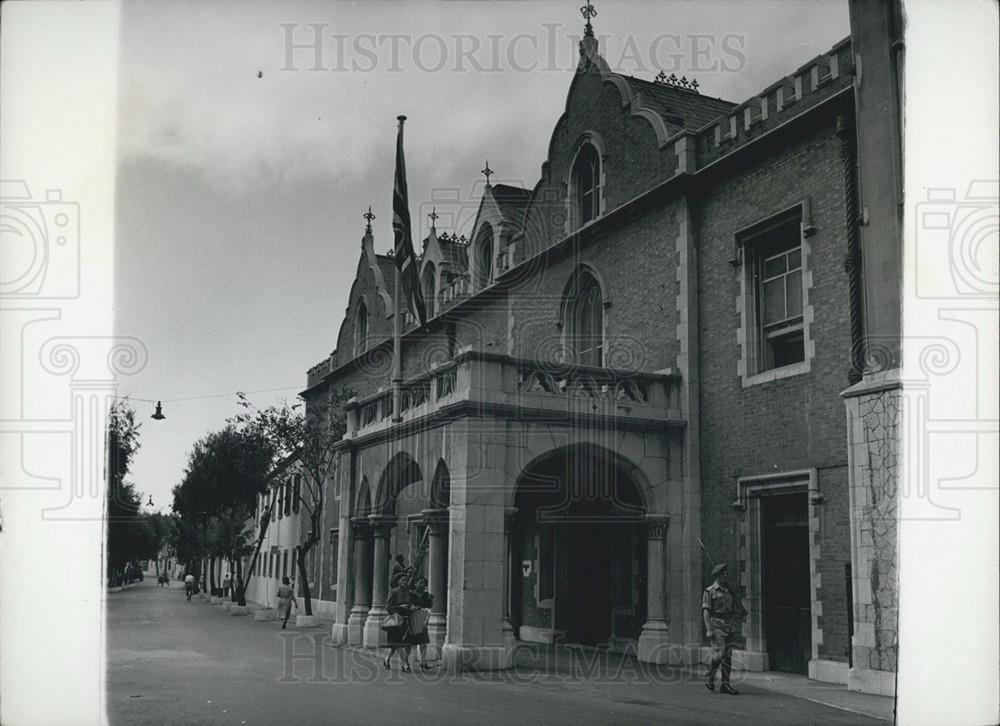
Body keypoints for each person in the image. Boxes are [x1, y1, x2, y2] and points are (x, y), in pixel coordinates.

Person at [702, 562, 745, 695]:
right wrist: (708, 629)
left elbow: (732, 608)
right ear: (718, 575)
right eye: (724, 573)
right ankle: (710, 675)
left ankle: (725, 684)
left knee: (728, 656)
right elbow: (706, 611)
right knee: (720, 653)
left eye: (726, 573)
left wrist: (739, 615)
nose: (726, 575)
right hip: (717, 624)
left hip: (730, 624)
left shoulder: (729, 591)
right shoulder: (710, 591)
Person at [382, 573, 414, 671]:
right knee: (398, 644)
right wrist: (400, 607)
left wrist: (412, 607)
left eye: (406, 580)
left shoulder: (409, 592)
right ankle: (404, 664)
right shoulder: (394, 592)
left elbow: (411, 603)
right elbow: (388, 607)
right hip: (396, 621)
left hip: (407, 620)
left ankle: (389, 659)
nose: (405, 582)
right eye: (403, 580)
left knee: (407, 644)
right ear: (398, 582)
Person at [407, 577, 433, 670]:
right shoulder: (411, 594)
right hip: (413, 618)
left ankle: (423, 661)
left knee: (423, 641)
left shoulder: (427, 596)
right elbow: (408, 606)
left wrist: (427, 620)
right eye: (420, 583)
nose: (422, 585)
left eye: (423, 583)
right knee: (412, 642)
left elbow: (429, 609)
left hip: (423, 618)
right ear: (416, 584)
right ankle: (410, 662)